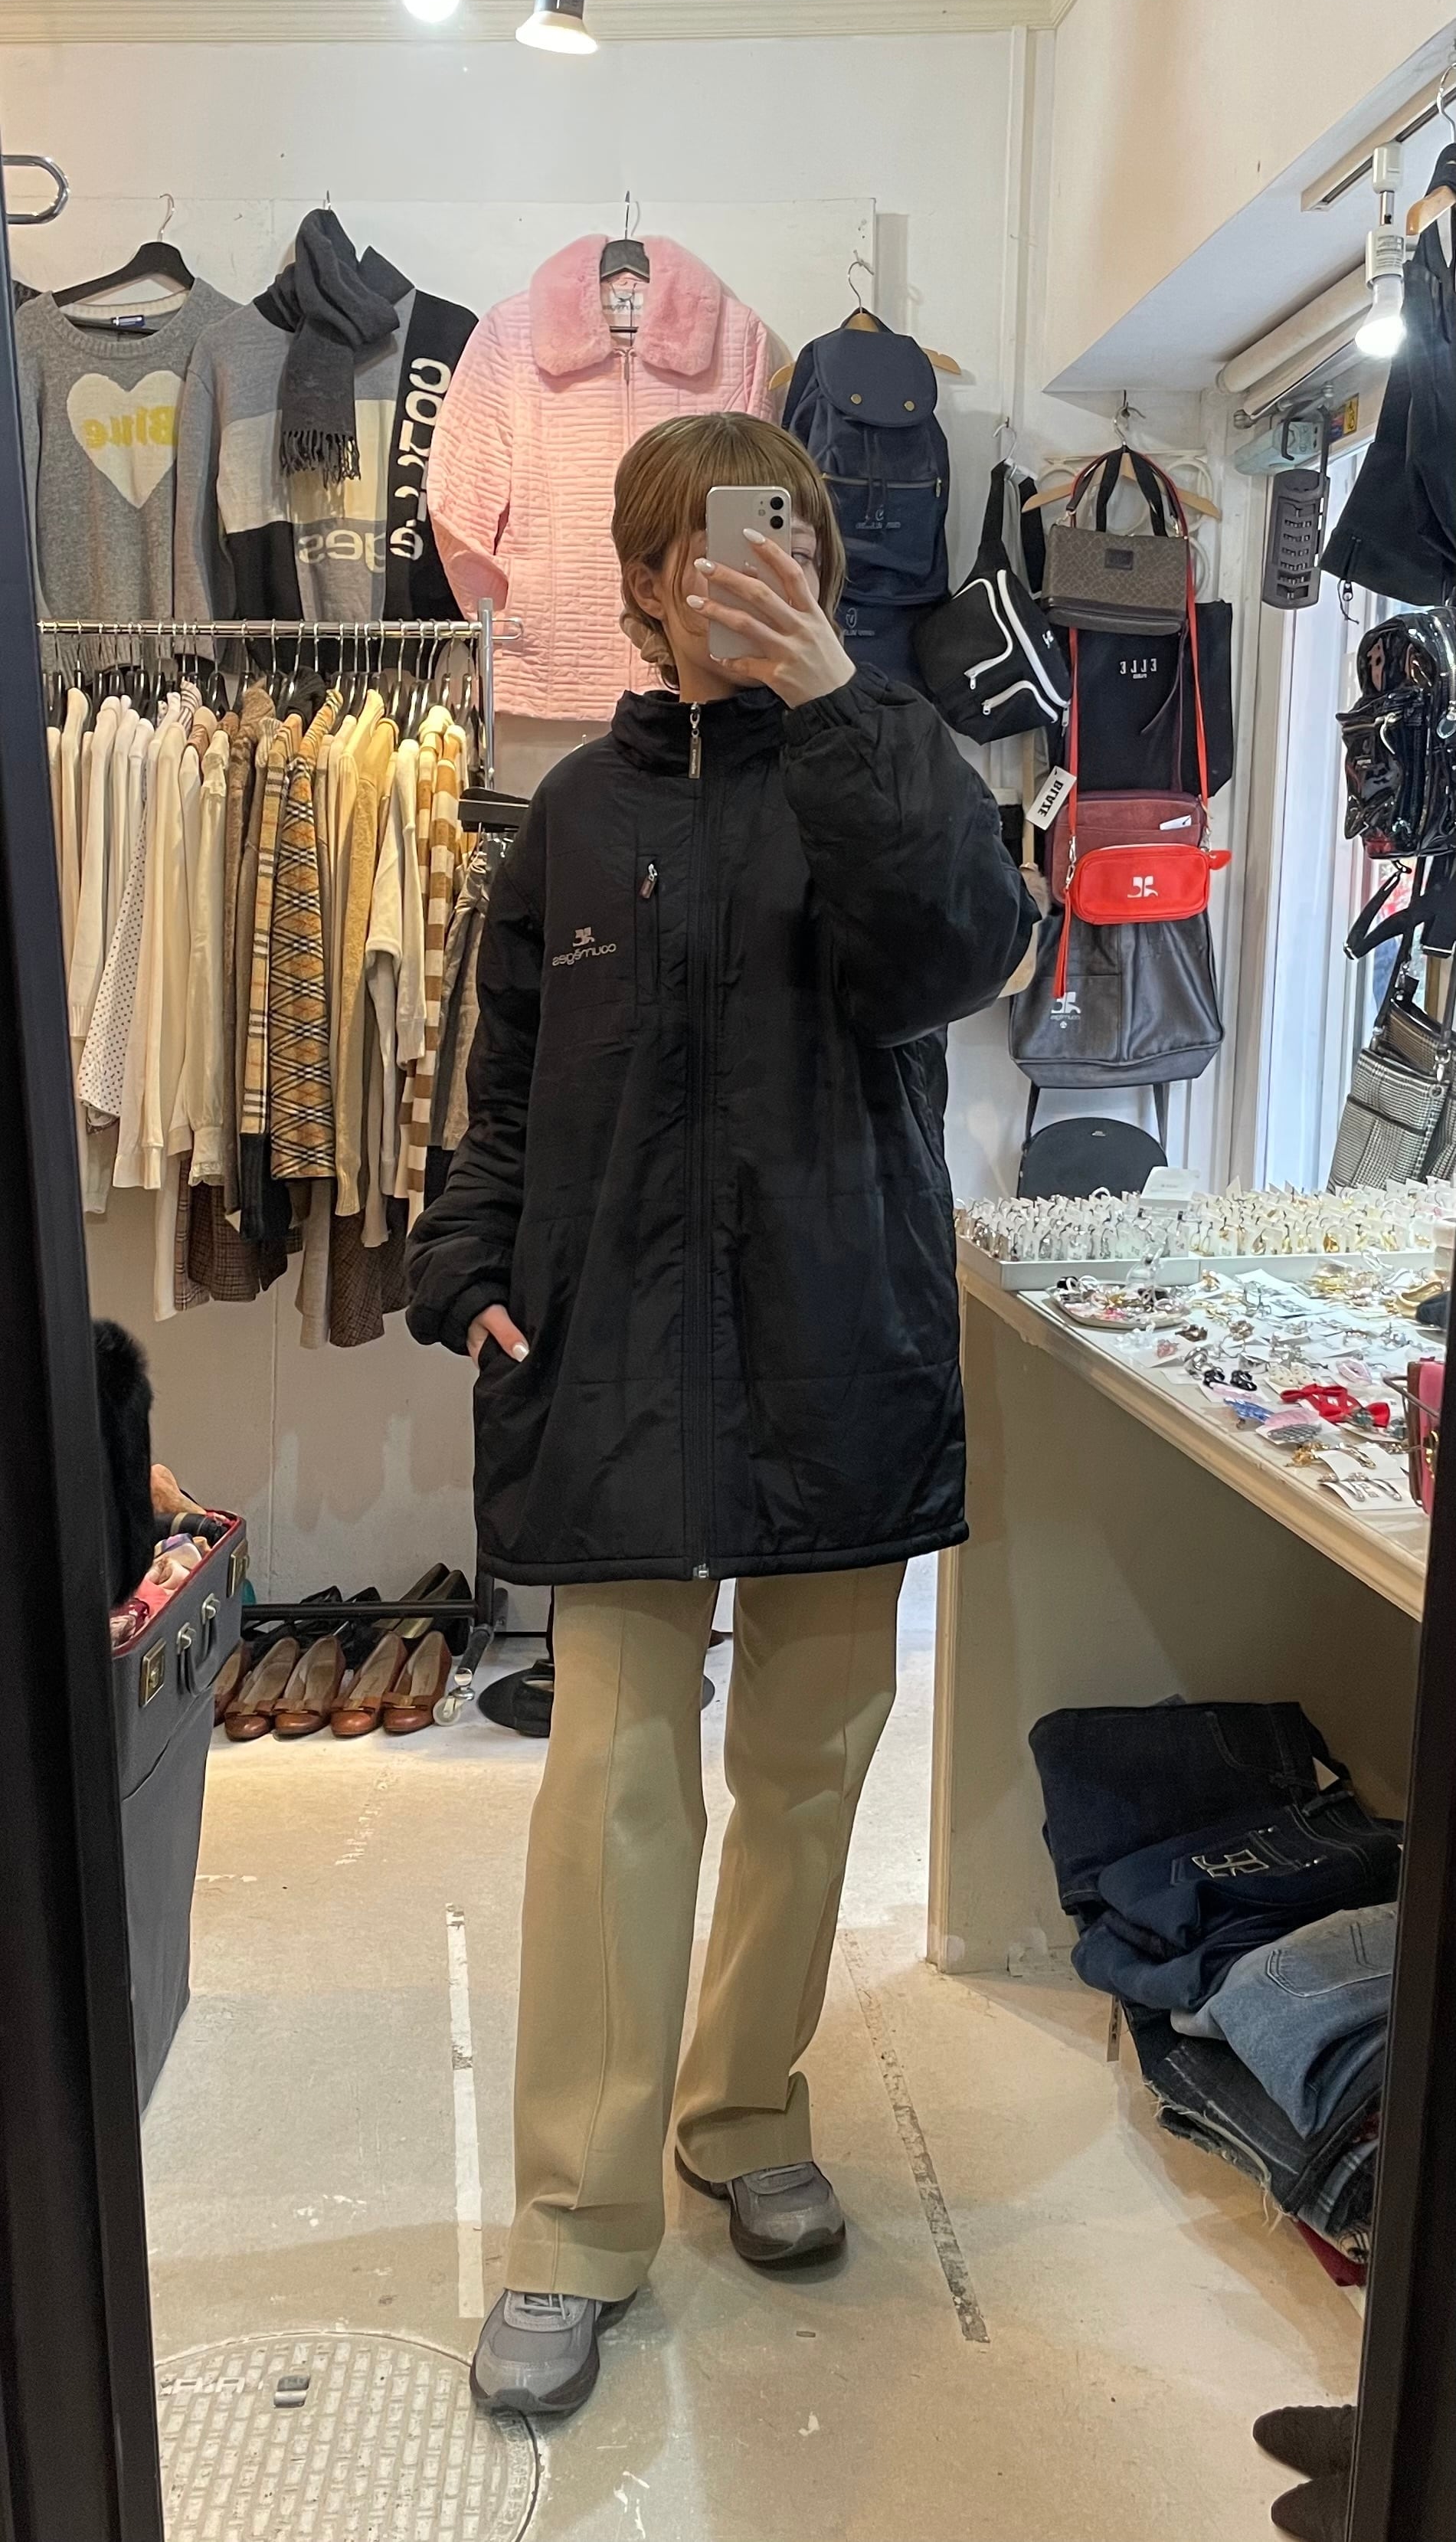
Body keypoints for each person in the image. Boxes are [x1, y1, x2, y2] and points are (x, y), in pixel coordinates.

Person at [406, 409, 1033, 2419]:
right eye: (706, 550)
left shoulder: (894, 756)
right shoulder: (575, 814)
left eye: (786, 542)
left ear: (821, 563)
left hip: (838, 1332)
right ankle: (575, 2219)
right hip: (617, 1350)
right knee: (611, 1776)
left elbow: (956, 951)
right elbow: (506, 1077)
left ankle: (746, 2108)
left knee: (809, 1759)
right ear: (642, 580)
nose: (750, 575)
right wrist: (470, 1261)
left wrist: (838, 701)